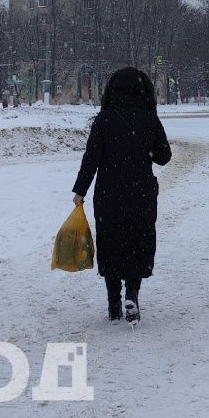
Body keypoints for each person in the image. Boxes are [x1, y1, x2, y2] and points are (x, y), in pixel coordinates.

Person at [73, 68, 172, 326]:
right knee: (138, 240)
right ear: (143, 91)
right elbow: (164, 157)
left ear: (112, 91)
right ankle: (133, 294)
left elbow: (90, 158)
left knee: (110, 243)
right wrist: (146, 148)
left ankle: (113, 303)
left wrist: (80, 190)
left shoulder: (104, 119)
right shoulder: (149, 119)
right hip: (140, 193)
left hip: (109, 194)